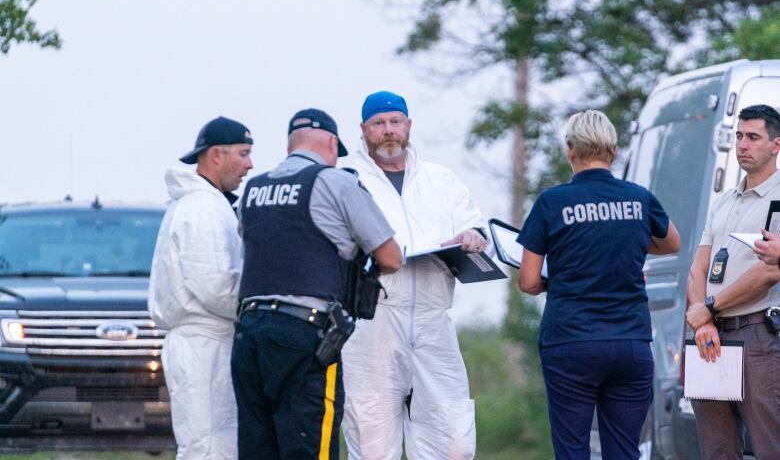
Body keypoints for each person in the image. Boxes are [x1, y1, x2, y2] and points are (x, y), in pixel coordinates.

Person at [231, 108, 402, 460]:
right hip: (304, 336)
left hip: (249, 334)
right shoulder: (334, 181)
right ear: (330, 142)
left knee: (258, 449)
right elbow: (391, 257)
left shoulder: (253, 189)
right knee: (310, 448)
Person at [517, 109, 680, 460]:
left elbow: (528, 281)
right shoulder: (639, 198)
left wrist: (560, 280)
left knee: (572, 450)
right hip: (630, 343)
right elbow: (672, 244)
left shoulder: (552, 202)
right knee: (624, 451)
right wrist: (629, 242)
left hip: (571, 342)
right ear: (613, 150)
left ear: (570, 150)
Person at [341, 91, 488, 460]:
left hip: (432, 319)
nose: (388, 131)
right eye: (379, 124)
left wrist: (473, 236)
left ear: (408, 125)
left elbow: (475, 225)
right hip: (372, 322)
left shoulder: (441, 180)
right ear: (363, 130)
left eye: (395, 122)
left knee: (452, 440)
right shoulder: (347, 178)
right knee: (372, 441)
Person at [148, 116, 254, 459]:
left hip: (207, 342)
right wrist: (258, 307)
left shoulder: (205, 203)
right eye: (243, 153)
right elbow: (216, 288)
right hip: (204, 344)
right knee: (208, 446)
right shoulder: (203, 207)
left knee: (212, 442)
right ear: (216, 155)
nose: (250, 164)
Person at [684, 104, 780, 459]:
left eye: (753, 137)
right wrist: (703, 320)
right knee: (717, 450)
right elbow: (698, 269)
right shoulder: (723, 201)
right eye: (739, 136)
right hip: (710, 337)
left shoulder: (779, 198)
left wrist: (708, 308)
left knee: (770, 447)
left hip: (757, 335)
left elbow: (769, 271)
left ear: (776, 144)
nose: (742, 144)